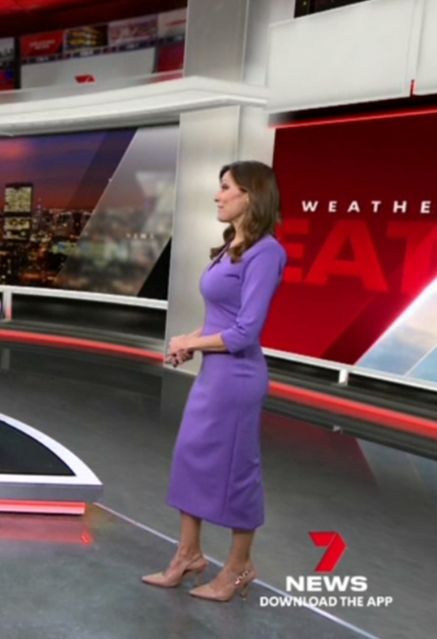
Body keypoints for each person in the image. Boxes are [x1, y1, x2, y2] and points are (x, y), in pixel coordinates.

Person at [142, 160, 287, 602]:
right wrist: (193, 343)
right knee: (190, 457)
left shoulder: (267, 253)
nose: (217, 195)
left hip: (238, 379)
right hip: (213, 375)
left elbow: (245, 331)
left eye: (225, 187)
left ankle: (240, 567)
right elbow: (220, 318)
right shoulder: (231, 247)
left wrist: (192, 341)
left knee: (237, 470)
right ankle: (188, 555)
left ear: (251, 195)